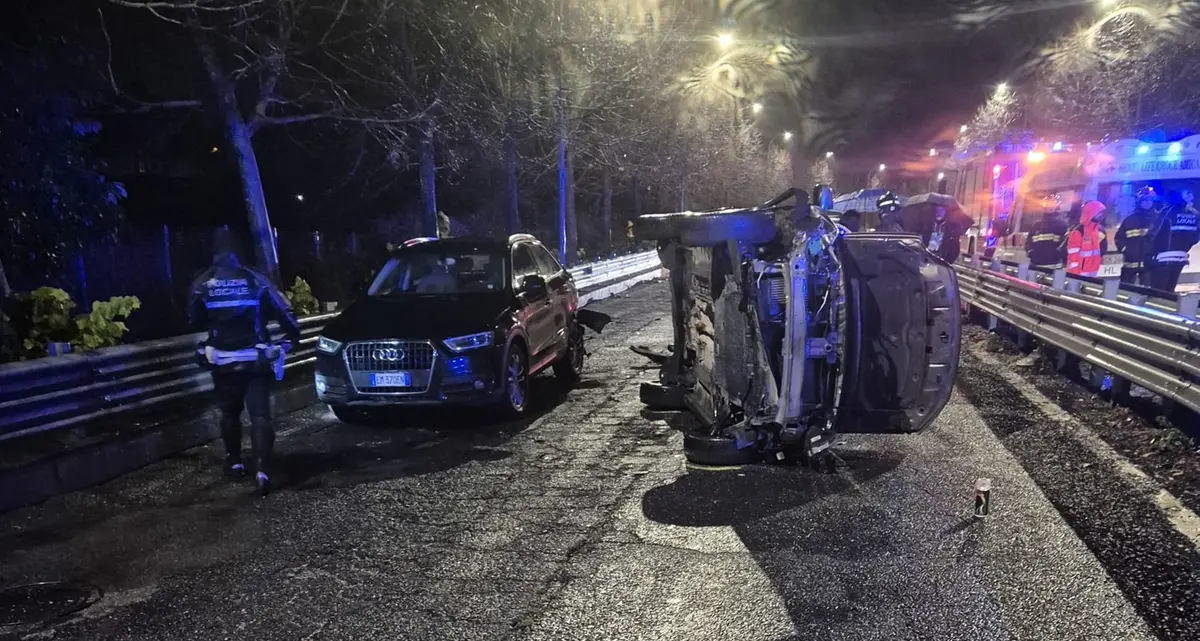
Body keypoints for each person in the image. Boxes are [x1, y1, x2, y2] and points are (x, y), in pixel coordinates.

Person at [188, 228, 301, 496]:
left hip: (222, 362)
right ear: (241, 251)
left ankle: (235, 462)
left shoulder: (202, 283)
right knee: (260, 415)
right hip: (255, 360)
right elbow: (288, 319)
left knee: (229, 413)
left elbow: (192, 319)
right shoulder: (256, 280)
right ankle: (262, 470)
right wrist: (285, 344)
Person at [1148, 188, 1199, 292]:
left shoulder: (1167, 212)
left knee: (1158, 291)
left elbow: (1154, 232)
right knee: (1170, 289)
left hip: (1163, 257)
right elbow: (1195, 237)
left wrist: (1150, 253)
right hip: (1181, 257)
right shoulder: (1193, 214)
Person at [1115, 186, 1162, 286]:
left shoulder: (1158, 219)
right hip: (1130, 262)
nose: (1148, 202)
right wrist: (1126, 250)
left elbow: (1162, 239)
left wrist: (1155, 253)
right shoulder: (1130, 219)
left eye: (1150, 200)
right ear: (1139, 202)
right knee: (1125, 288)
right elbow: (1119, 238)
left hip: (1149, 262)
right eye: (1145, 200)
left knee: (1147, 290)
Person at [1065, 201, 1108, 276]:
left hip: (1093, 270)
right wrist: (1074, 273)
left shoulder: (1100, 230)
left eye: (1102, 214)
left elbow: (1103, 248)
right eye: (1098, 214)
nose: (1100, 217)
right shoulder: (1078, 231)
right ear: (1090, 213)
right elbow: (1072, 255)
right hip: (1078, 272)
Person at [1024, 197, 1069, 268]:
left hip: (1055, 267)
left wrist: (1060, 256)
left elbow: (1065, 245)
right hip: (1036, 265)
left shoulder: (1062, 225)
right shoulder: (1036, 225)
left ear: (1057, 207)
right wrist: (1030, 252)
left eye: (1052, 205)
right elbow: (1028, 242)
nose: (1049, 207)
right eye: (1048, 205)